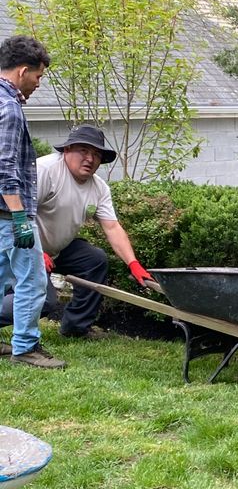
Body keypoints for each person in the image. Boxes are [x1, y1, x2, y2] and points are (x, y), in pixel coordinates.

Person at [34, 124, 153, 338]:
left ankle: (76, 328)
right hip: (19, 247)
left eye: (96, 154)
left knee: (94, 260)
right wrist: (33, 251)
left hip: (55, 250)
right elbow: (17, 214)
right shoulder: (45, 170)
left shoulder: (99, 188)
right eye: (84, 151)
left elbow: (112, 227)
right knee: (42, 301)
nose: (90, 158)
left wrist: (133, 263)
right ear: (67, 150)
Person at [0, 34, 65, 369]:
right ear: (23, 70)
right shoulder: (9, 108)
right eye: (38, 76)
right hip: (9, 214)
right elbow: (4, 166)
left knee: (0, 278)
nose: (39, 83)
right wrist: (20, 216)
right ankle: (25, 346)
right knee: (33, 280)